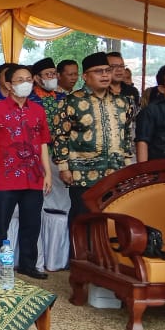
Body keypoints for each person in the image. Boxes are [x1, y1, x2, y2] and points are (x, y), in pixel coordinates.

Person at [0, 65, 52, 280]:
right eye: (20, 79)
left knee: (32, 223)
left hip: (33, 177)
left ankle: (28, 264)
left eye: (29, 79)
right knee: (1, 225)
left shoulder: (38, 110)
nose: (26, 83)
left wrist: (48, 173)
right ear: (8, 84)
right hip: (4, 178)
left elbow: (43, 142)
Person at [53, 52, 133, 229]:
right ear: (85, 76)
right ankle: (80, 256)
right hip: (81, 173)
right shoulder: (71, 101)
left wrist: (127, 166)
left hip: (115, 172)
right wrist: (64, 167)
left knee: (111, 217)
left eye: (107, 70)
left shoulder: (123, 102)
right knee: (83, 218)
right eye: (98, 71)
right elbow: (60, 136)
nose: (104, 75)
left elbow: (126, 135)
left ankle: (104, 256)